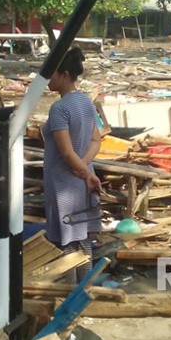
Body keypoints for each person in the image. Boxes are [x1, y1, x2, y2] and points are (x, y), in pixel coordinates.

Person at [42, 46, 102, 282]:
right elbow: (96, 140)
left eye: (51, 73)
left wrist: (81, 171)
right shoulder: (86, 102)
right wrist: (86, 168)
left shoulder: (60, 108)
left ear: (64, 74)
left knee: (67, 244)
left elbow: (66, 153)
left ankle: (70, 296)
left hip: (64, 185)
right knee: (83, 241)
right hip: (82, 180)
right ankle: (83, 291)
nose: (47, 78)